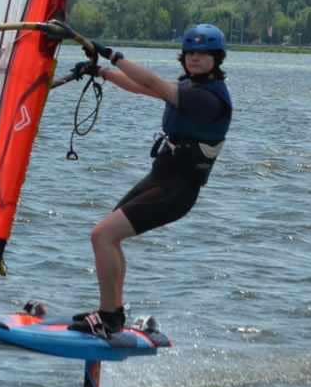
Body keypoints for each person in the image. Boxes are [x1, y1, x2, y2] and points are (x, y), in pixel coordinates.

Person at [71, 23, 233, 338]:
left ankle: (107, 317)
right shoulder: (192, 88)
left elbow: (152, 81)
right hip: (160, 177)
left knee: (102, 235)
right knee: (107, 237)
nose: (195, 59)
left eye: (203, 54)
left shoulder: (209, 99)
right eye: (190, 53)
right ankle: (113, 312)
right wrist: (100, 72)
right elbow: (142, 87)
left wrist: (112, 55)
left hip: (177, 189)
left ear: (217, 58)